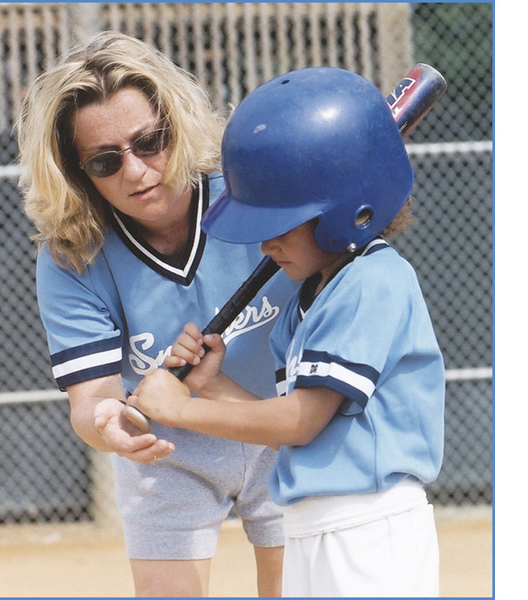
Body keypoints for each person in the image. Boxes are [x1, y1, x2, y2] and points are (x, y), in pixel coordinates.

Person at [131, 66, 446, 597]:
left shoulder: (373, 281)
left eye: (276, 225)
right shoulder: (311, 297)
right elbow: (290, 418)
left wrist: (180, 410)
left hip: (366, 531)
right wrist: (213, 385)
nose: (262, 245)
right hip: (310, 526)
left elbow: (301, 422)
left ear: (350, 211)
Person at [17, 31, 297, 597]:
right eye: (104, 160)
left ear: (176, 121)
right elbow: (91, 400)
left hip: (284, 420)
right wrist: (110, 426)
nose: (137, 170)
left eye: (151, 141)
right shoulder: (74, 252)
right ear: (76, 172)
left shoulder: (250, 192)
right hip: (169, 444)